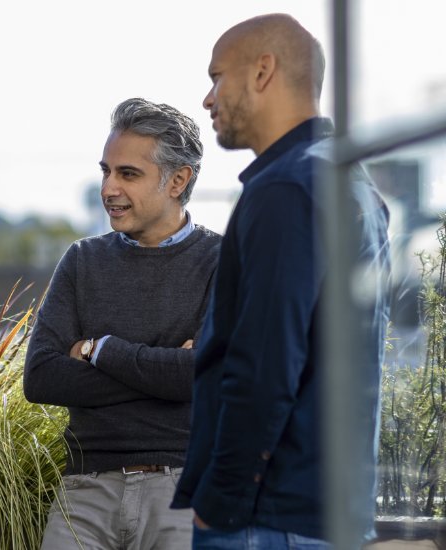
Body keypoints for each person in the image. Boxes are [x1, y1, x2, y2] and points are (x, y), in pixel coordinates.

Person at [170, 14, 391, 549]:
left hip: (265, 520)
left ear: (262, 71)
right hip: (328, 511)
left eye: (217, 76)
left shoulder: (285, 189)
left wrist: (219, 504)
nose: (207, 98)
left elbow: (265, 365)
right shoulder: (352, 184)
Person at [23, 97, 222, 549]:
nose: (109, 188)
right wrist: (167, 371)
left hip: (181, 491)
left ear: (177, 180)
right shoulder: (81, 260)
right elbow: (40, 378)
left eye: (127, 174)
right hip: (84, 490)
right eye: (105, 171)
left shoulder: (222, 261)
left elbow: (204, 376)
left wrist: (100, 351)